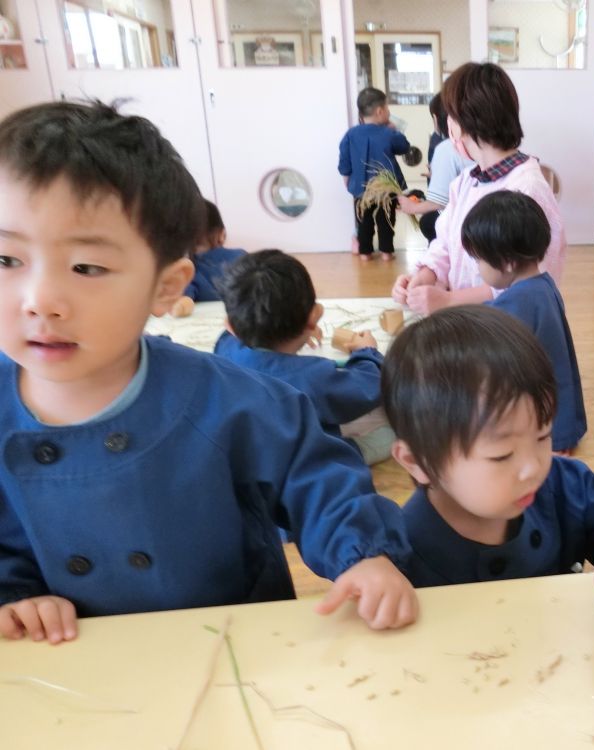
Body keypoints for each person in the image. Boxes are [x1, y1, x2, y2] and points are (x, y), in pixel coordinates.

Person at [0, 101, 416, 645]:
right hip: (74, 660)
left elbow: (313, 471)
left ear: (167, 286)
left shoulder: (225, 397)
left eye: (86, 267)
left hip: (235, 646)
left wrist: (362, 555)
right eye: (7, 260)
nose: (40, 301)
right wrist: (13, 592)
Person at [381, 305, 594, 587]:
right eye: (501, 455)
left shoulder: (558, 486)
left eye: (543, 436)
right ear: (417, 461)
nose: (534, 466)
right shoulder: (396, 557)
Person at [390, 62, 567, 315]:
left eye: (451, 116)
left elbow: (533, 282)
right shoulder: (466, 181)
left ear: (469, 120)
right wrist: (424, 276)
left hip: (504, 331)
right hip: (470, 323)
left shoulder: (528, 189)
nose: (448, 125)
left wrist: (448, 301)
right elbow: (445, 243)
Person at [214, 249, 392, 465]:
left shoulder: (225, 348)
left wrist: (296, 331)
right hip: (297, 458)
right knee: (393, 436)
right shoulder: (312, 378)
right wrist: (367, 352)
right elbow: (368, 386)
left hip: (245, 452)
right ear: (313, 317)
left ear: (230, 327)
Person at [463, 190, 586, 454]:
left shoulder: (519, 303)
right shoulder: (542, 286)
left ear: (506, 262)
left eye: (479, 260)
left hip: (545, 430)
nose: (477, 268)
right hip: (562, 418)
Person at [338, 87, 410, 261]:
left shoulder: (350, 134)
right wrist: (396, 131)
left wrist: (347, 178)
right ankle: (386, 252)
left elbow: (344, 160)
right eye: (387, 109)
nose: (389, 112)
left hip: (360, 187)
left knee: (364, 220)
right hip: (386, 186)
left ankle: (365, 253)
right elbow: (404, 147)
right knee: (386, 219)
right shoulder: (389, 133)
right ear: (380, 111)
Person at [397, 93, 473, 243]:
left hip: (467, 221)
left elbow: (437, 203)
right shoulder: (481, 142)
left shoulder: (447, 148)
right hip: (482, 214)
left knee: (428, 222)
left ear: (436, 119)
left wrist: (412, 207)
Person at [170, 199, 246, 317]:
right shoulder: (241, 255)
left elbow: (184, 297)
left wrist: (181, 304)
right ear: (222, 235)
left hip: (205, 319)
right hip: (243, 316)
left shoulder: (187, 269)